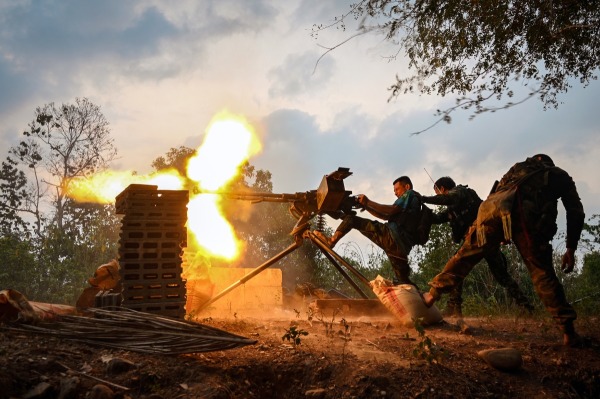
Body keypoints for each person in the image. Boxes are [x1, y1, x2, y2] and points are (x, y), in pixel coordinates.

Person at [422, 155, 585, 346]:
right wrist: (570, 248)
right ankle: (568, 332)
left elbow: (494, 194)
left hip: (491, 213)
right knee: (540, 270)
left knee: (464, 257)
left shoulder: (514, 171)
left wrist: (483, 228)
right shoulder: (557, 174)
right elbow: (575, 211)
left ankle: (432, 294)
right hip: (521, 215)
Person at [420, 177, 533, 317]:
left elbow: (448, 199)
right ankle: (454, 306)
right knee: (460, 271)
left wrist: (423, 199)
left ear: (442, 189)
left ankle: (526, 307)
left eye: (437, 192)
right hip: (475, 241)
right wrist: (423, 212)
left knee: (496, 274)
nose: (438, 196)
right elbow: (437, 219)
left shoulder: (461, 192)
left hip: (482, 236)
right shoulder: (452, 209)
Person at [314, 176, 421, 287]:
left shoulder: (410, 194)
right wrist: (367, 206)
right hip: (400, 249)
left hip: (390, 236)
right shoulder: (413, 205)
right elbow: (384, 216)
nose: (395, 193)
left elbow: (390, 210)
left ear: (407, 186)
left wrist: (368, 202)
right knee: (403, 282)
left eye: (397, 189)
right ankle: (421, 299)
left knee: (351, 220)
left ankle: (331, 241)